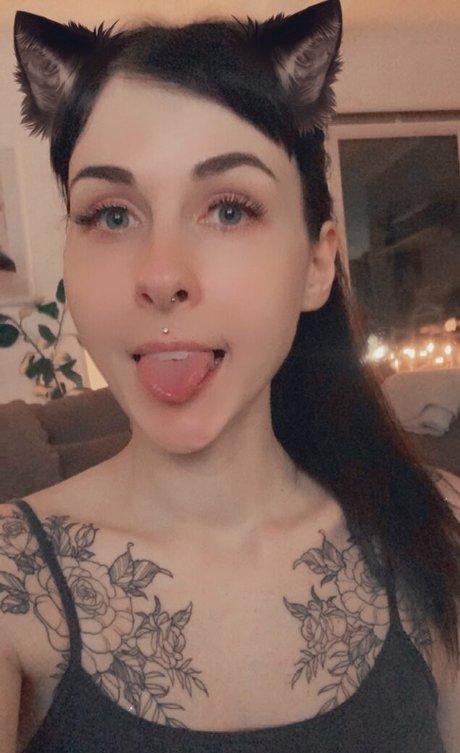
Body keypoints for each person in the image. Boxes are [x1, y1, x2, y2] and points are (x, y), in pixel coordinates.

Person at [1, 1, 459, 750]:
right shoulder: (13, 577)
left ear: (317, 263)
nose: (161, 277)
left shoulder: (438, 528)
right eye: (112, 215)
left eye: (229, 210)